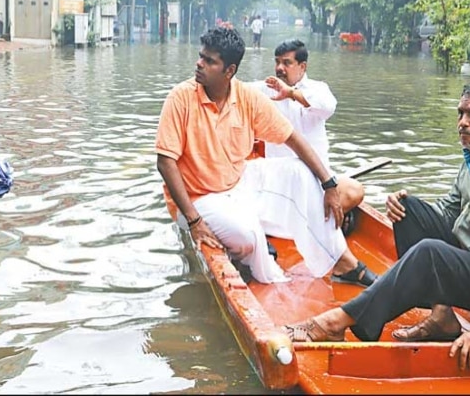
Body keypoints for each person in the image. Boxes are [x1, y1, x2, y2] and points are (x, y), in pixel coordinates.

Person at [284, 82, 470, 370]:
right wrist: (399, 205)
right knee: (410, 210)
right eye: (460, 114)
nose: (462, 123)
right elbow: (450, 213)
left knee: (429, 253)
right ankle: (442, 316)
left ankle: (336, 321)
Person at [155, 25, 378, 286]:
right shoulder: (181, 98)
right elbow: (165, 162)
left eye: (209, 61)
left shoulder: (247, 96)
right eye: (201, 56)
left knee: (301, 171)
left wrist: (328, 185)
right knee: (248, 236)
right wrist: (194, 222)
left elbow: (295, 139)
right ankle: (255, 254)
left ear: (230, 71)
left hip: (238, 182)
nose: (199, 64)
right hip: (198, 197)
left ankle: (343, 264)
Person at [249, 39, 365, 239]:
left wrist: (292, 94)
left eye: (286, 63)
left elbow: (328, 107)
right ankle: (314, 224)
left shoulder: (318, 89)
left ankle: (297, 224)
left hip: (318, 183)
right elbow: (232, 88)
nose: (279, 68)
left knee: (354, 190)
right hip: (279, 183)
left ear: (302, 67)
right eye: (277, 62)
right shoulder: (266, 89)